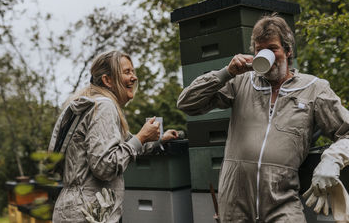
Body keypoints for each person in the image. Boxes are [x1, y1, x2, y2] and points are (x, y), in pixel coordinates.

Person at [177, 14, 349, 222]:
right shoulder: (240, 82)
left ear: (288, 50)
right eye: (259, 50)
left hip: (282, 203)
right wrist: (225, 72)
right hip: (234, 205)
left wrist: (331, 160)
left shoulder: (314, 88)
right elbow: (187, 103)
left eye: (272, 48)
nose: (265, 55)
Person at [49, 50, 179, 223]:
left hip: (74, 210)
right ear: (107, 80)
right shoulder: (104, 107)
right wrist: (140, 138)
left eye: (133, 72)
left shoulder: (90, 104)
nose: (134, 77)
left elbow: (124, 144)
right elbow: (104, 166)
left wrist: (156, 139)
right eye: (127, 72)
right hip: (88, 214)